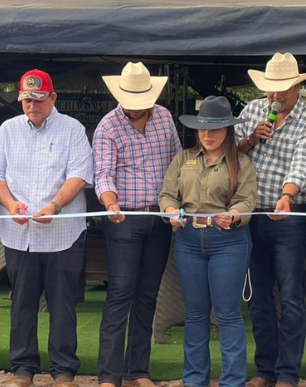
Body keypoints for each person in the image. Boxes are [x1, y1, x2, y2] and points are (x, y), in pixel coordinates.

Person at [0, 69, 94, 387]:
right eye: (26, 100)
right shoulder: (7, 130)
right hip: (19, 232)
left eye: (38, 99)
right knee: (21, 302)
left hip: (62, 231)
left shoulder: (72, 129)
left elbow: (79, 174)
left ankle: (63, 369)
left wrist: (55, 206)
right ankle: (23, 367)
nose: (32, 105)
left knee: (62, 303)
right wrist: (9, 203)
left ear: (52, 98)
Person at [235, 53, 306, 387]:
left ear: (298, 86)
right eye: (271, 90)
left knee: (290, 296)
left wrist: (286, 196)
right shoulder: (250, 111)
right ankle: (264, 369)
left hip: (289, 216)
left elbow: (304, 162)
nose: (276, 96)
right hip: (251, 213)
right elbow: (228, 154)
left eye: (283, 90)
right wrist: (249, 140)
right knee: (259, 296)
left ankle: (288, 373)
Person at [159, 95, 257, 387]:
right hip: (188, 239)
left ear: (228, 130)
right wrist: (169, 211)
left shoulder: (242, 163)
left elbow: (247, 200)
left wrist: (234, 214)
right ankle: (194, 380)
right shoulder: (183, 158)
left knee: (227, 313)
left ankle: (232, 381)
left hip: (228, 240)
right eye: (203, 128)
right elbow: (167, 194)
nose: (207, 134)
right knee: (195, 313)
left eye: (215, 128)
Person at [94, 62, 181, 387]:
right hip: (123, 218)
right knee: (120, 294)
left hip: (159, 217)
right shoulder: (108, 126)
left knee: (147, 295)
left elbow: (177, 161)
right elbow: (102, 172)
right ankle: (109, 376)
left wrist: (182, 194)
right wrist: (110, 202)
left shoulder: (164, 117)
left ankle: (138, 371)